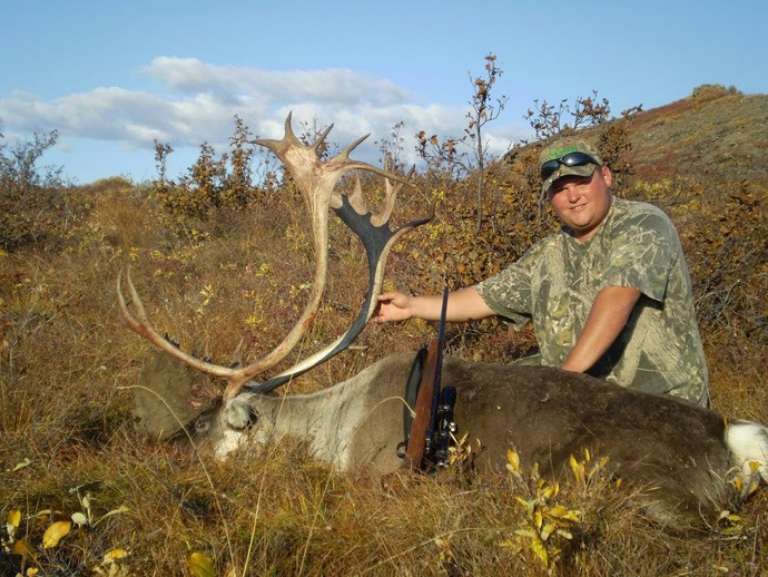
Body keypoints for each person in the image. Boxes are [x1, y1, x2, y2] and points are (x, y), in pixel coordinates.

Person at [374, 139, 709, 407]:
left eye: (581, 181)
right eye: (560, 189)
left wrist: (557, 387)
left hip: (662, 407)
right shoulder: (549, 253)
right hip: (586, 399)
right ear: (550, 198)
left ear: (605, 177)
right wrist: (412, 306)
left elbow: (617, 298)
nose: (573, 196)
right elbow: (483, 298)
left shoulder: (642, 224)